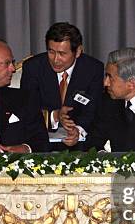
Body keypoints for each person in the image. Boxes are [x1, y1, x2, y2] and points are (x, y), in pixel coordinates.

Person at [20, 22, 104, 150]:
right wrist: (55, 116)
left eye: (62, 54)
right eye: (51, 52)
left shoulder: (93, 69)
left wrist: (78, 130)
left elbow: (93, 109)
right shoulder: (33, 68)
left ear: (78, 52)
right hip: (42, 141)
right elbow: (27, 110)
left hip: (80, 143)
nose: (55, 59)